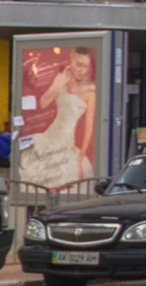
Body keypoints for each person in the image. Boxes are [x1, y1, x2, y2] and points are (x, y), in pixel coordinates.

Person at [18, 47, 96, 187]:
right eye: (78, 64)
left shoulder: (90, 92)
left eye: (85, 66)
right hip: (49, 135)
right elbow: (43, 102)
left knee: (65, 177)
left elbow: (89, 126)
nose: (80, 70)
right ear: (71, 61)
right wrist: (59, 83)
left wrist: (81, 156)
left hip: (66, 141)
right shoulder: (61, 79)